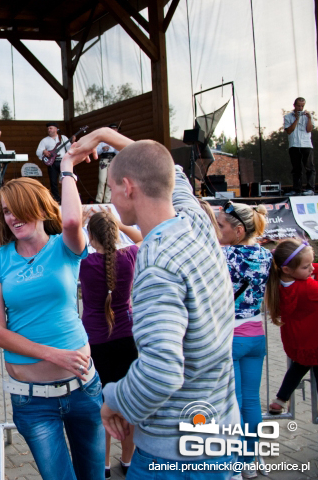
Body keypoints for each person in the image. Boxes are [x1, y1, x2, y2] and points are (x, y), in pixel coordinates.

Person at [69, 128, 239, 478]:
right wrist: (103, 135)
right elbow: (164, 167)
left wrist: (114, 400)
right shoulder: (197, 223)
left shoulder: (158, 263)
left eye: (111, 188)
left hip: (174, 454)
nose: (111, 199)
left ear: (127, 187)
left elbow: (162, 372)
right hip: (221, 431)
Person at [0, 153, 105, 479]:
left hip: (83, 390)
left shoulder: (64, 246)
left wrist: (67, 169)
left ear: (37, 206)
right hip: (32, 401)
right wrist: (55, 355)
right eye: (6, 211)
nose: (11, 217)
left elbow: (72, 222)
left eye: (17, 208)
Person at [79, 210, 139, 478]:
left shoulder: (84, 263)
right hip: (127, 340)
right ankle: (128, 460)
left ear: (91, 237)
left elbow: (61, 245)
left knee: (99, 406)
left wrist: (79, 223)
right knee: (127, 404)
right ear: (114, 233)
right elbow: (145, 238)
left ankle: (102, 464)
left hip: (95, 342)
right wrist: (121, 224)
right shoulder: (130, 256)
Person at [216, 201, 270, 479]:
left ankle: (234, 463)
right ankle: (250, 459)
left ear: (238, 231)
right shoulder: (265, 255)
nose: (217, 230)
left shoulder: (223, 256)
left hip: (230, 337)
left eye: (221, 226)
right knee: (251, 401)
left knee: (233, 402)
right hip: (256, 336)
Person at [264, 239, 318, 416]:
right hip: (315, 341)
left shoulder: (280, 284)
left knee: (297, 369)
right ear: (287, 269)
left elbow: (309, 270)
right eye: (306, 267)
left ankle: (280, 400)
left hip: (297, 342)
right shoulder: (308, 288)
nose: (311, 269)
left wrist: (309, 267)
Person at [284, 98, 314, 196]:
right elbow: (289, 131)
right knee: (296, 169)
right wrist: (296, 119)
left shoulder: (308, 116)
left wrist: (309, 118)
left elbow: (309, 129)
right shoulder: (288, 116)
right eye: (298, 106)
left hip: (306, 145)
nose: (300, 108)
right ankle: (297, 189)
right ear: (294, 105)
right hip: (294, 145)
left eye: (302, 106)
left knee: (309, 167)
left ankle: (310, 188)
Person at [36, 122, 72, 202]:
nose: (49, 130)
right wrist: (44, 151)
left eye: (51, 128)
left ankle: (68, 199)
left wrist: (72, 142)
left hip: (63, 162)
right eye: (48, 129)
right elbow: (38, 152)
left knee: (66, 180)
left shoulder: (63, 138)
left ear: (56, 129)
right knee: (53, 182)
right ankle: (57, 200)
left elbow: (70, 149)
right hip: (52, 163)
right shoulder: (44, 140)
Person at [95, 123, 120, 203]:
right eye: (113, 129)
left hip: (112, 160)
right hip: (104, 160)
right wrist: (103, 149)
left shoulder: (117, 140)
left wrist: (116, 145)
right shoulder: (103, 140)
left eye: (115, 129)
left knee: (110, 181)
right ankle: (99, 199)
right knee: (102, 180)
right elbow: (97, 151)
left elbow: (118, 153)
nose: (114, 130)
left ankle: (107, 199)